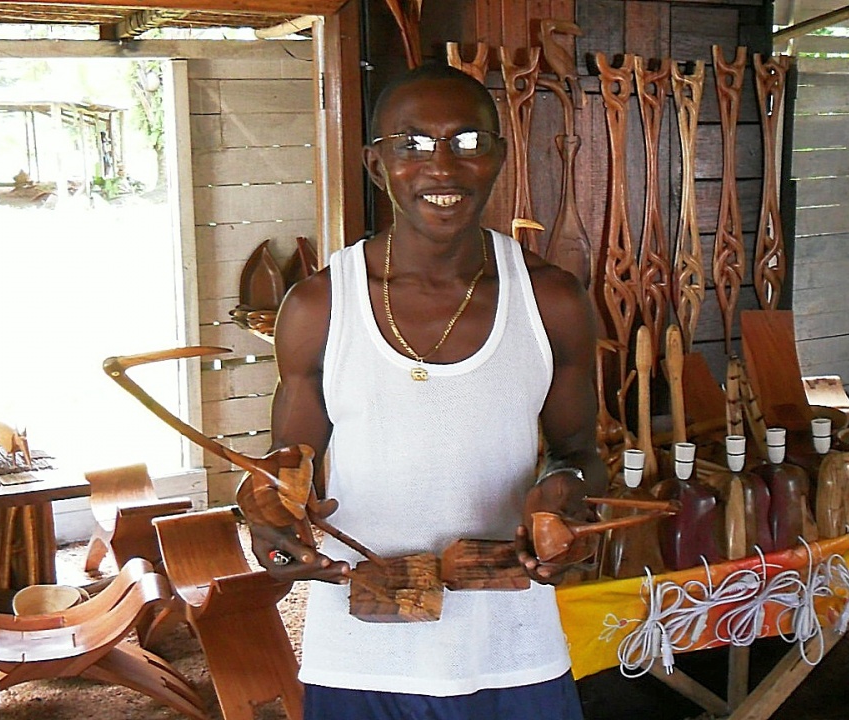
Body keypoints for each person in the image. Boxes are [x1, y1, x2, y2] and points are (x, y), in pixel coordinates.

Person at [247, 63, 608, 720]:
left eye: (468, 142)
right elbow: (286, 469)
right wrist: (267, 521)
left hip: (510, 645)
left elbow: (580, 451)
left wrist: (567, 494)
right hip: (360, 650)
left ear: (499, 156)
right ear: (376, 163)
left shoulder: (551, 300)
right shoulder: (320, 306)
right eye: (411, 145)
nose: (442, 167)